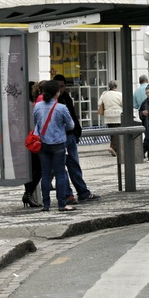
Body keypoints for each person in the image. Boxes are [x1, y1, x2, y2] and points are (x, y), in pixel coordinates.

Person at [53, 74, 101, 203]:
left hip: (69, 135)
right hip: (60, 138)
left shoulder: (66, 98)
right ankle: (69, 194)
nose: (60, 89)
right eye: (58, 87)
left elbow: (72, 116)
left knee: (73, 165)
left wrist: (76, 131)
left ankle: (81, 192)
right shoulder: (53, 102)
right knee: (62, 168)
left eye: (62, 86)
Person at [34, 80, 76, 212]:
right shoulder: (61, 108)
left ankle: (46, 204)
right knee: (60, 174)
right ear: (57, 93)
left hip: (42, 143)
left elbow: (36, 122)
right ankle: (62, 203)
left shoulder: (38, 106)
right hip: (58, 143)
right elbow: (71, 125)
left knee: (45, 174)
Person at [22, 81, 44, 208]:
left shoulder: (28, 104)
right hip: (33, 140)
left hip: (25, 140)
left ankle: (28, 193)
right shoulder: (33, 105)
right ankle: (28, 193)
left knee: (30, 169)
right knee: (37, 169)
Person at [98, 80, 123, 156]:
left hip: (108, 116)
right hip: (118, 115)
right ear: (116, 86)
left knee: (112, 133)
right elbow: (123, 103)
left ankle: (113, 148)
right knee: (118, 133)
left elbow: (99, 103)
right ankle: (113, 147)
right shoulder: (119, 94)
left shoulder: (104, 94)